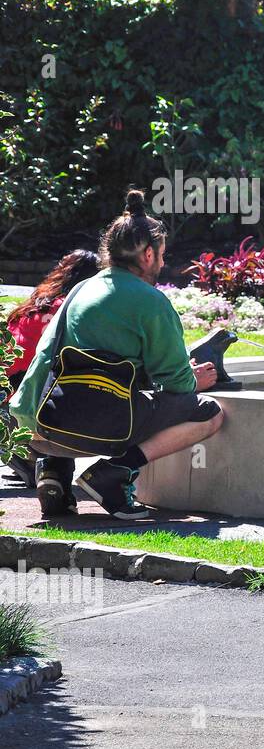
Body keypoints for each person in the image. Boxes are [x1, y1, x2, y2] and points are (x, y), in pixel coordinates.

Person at [8, 190, 225, 520]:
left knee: (75, 386)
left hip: (42, 430)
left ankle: (54, 476)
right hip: (105, 432)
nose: (164, 263)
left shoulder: (80, 290)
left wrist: (25, 420)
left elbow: (44, 357)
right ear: (148, 254)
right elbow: (177, 385)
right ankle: (114, 474)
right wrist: (193, 380)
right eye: (163, 254)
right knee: (209, 413)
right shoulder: (151, 302)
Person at [3, 249, 102, 513]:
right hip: (39, 405)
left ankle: (28, 459)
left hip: (10, 400)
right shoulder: (76, 311)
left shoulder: (32, 307)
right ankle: (40, 466)